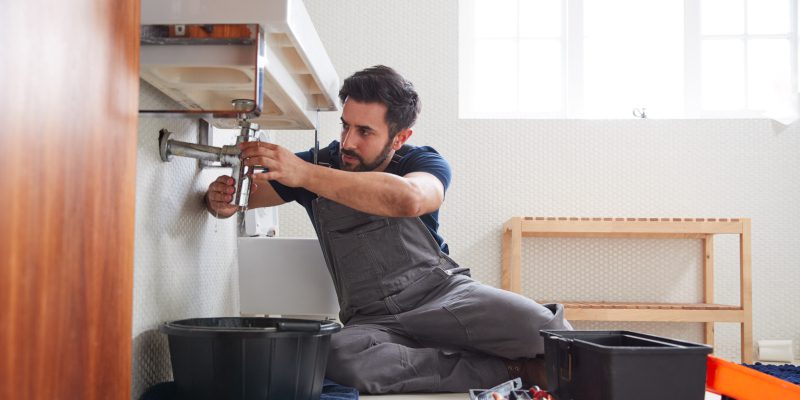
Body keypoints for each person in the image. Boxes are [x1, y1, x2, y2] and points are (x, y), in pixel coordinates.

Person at [204, 65, 572, 394]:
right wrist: (220, 200)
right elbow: (244, 197)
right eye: (345, 125)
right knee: (335, 356)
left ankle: (481, 355)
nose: (348, 142)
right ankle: (510, 368)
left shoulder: (422, 161)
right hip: (371, 318)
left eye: (365, 131)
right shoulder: (323, 162)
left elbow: (411, 198)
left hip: (443, 295)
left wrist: (306, 174)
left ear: (399, 137)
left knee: (548, 332)